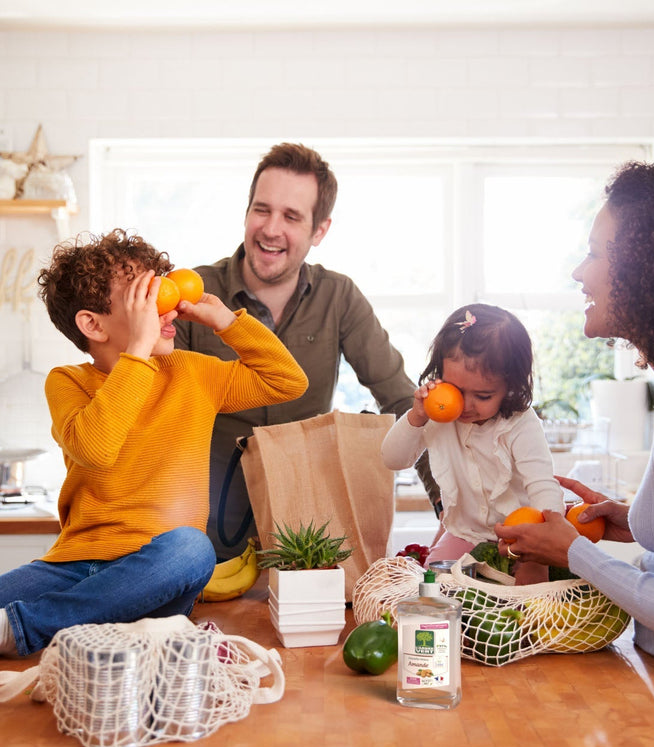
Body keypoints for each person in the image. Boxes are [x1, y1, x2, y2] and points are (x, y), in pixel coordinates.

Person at [0, 229, 307, 657]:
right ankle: (97, 626)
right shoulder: (69, 382)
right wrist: (140, 351)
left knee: (192, 548)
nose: (164, 304)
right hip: (72, 568)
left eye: (161, 285)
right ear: (92, 324)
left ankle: (29, 628)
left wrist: (227, 322)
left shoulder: (192, 373)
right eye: (145, 296)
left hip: (157, 571)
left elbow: (287, 381)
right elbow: (97, 447)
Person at [494, 162, 654, 697]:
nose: (578, 273)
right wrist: (632, 521)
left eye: (595, 253)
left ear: (647, 271)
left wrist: (574, 554)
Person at [175, 142, 437, 560]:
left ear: (319, 230)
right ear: (246, 213)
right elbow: (155, 416)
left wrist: (449, 512)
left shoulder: (339, 297)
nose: (271, 228)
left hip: (305, 537)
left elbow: (406, 403)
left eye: (291, 216)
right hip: (201, 534)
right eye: (262, 209)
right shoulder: (194, 294)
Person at [381, 303, 564, 585]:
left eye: (483, 395)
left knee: (529, 597)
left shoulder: (521, 423)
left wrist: (541, 551)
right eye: (456, 389)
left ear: (510, 387)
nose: (465, 405)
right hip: (464, 533)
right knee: (435, 586)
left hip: (522, 537)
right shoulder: (436, 413)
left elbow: (543, 487)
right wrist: (416, 416)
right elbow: (393, 459)